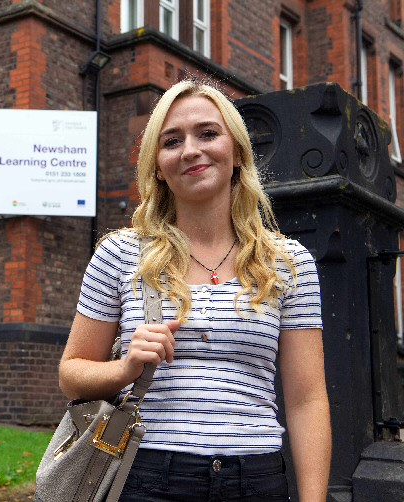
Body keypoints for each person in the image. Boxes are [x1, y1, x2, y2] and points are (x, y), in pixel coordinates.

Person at [58, 80, 331, 501]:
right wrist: (125, 367)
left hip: (256, 479)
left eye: (207, 133)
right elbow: (72, 375)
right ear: (158, 167)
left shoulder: (288, 263)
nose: (190, 150)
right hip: (146, 473)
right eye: (172, 141)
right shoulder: (120, 253)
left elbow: (306, 398)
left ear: (237, 151)